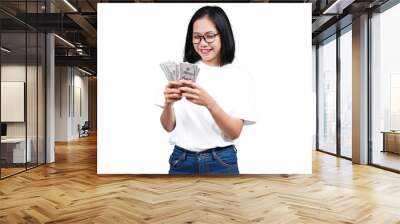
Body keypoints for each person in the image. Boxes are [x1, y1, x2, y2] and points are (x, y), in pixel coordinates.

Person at [157, 6, 256, 175]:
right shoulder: (180, 73)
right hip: (181, 160)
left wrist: (209, 103)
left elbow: (234, 132)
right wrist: (168, 104)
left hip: (221, 161)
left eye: (209, 36)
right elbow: (168, 127)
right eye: (196, 37)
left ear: (223, 35)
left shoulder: (239, 77)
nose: (202, 43)